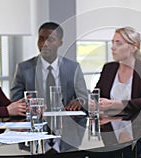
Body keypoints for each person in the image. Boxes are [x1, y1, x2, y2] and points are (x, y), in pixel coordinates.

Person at [10, 22, 88, 152]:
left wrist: (80, 101)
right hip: (34, 132)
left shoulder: (73, 67)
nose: (44, 44)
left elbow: (84, 97)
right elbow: (15, 101)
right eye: (41, 39)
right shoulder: (24, 68)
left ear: (60, 43)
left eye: (50, 39)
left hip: (67, 133)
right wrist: (28, 103)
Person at [95, 27, 141, 157]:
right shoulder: (108, 68)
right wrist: (94, 102)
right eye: (113, 42)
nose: (113, 47)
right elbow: (97, 94)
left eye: (118, 43)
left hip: (140, 135)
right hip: (109, 132)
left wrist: (116, 104)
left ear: (134, 46)